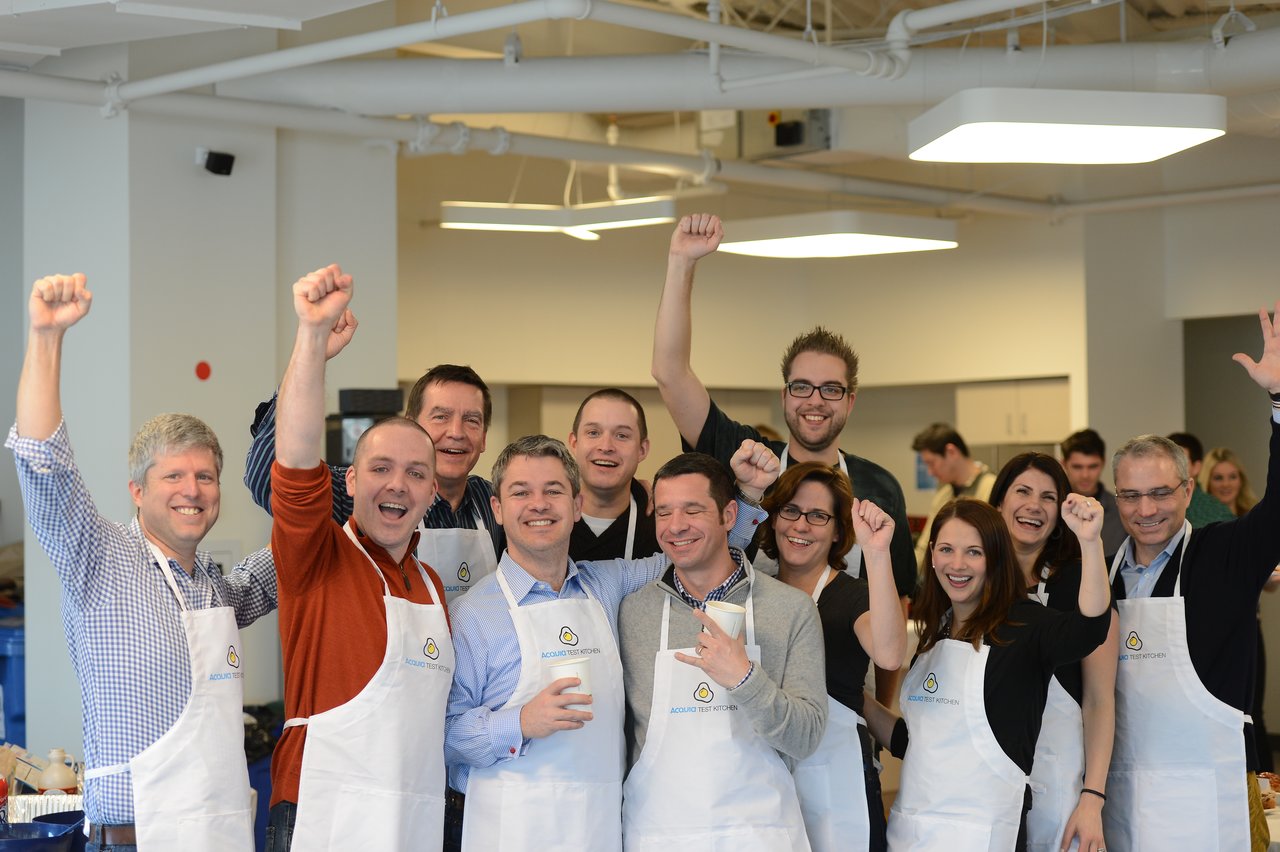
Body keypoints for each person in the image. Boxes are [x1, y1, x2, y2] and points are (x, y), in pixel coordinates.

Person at [7, 273, 277, 852]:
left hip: (221, 836)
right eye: (173, 475)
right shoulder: (99, 557)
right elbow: (44, 464)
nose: (192, 489)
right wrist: (46, 337)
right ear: (137, 490)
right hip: (135, 840)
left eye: (205, 476)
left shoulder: (215, 590)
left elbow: (282, 563)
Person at [445, 437, 776, 852]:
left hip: (598, 828)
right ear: (497, 509)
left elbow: (699, 553)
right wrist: (522, 722)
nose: (539, 504)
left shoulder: (607, 584)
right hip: (511, 832)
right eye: (521, 493)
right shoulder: (471, 614)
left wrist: (748, 494)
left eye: (553, 491)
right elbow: (445, 736)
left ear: (577, 505)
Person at [651, 211, 916, 705]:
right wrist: (681, 263)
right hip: (736, 688)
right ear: (785, 395)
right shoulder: (746, 459)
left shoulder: (879, 487)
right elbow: (670, 373)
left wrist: (882, 711)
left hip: (838, 696)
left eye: (831, 389)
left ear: (850, 401)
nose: (815, 401)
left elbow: (894, 604)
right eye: (802, 387)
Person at [266, 264, 451, 851]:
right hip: (323, 814)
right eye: (380, 468)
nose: (397, 484)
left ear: (431, 492)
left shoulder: (432, 586)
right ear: (349, 479)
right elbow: (296, 458)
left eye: (416, 473)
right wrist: (311, 336)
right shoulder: (316, 554)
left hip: (412, 821)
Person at [1104, 301, 1280, 852]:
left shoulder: (1226, 554)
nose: (1146, 509)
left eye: (1161, 493)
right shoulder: (1098, 576)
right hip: (1122, 792)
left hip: (1212, 793)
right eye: (1131, 495)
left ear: (1187, 491)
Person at [864, 498, 1110, 850]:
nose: (957, 564)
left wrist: (1090, 542)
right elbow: (915, 743)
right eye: (946, 549)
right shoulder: (934, 632)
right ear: (932, 554)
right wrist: (855, 698)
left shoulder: (1025, 626)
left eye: (974, 552)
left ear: (996, 558)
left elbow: (1090, 629)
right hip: (912, 833)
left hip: (986, 836)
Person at [620, 453, 827, 851]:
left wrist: (745, 679)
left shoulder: (790, 609)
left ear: (729, 515)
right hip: (660, 834)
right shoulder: (633, 612)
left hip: (759, 836)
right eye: (664, 512)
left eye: (692, 510)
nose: (675, 526)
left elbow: (805, 738)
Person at [245, 348, 502, 602]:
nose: (456, 432)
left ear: (483, 438)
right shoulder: (362, 492)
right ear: (410, 426)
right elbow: (268, 477)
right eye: (441, 416)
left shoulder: (495, 503)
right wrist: (312, 350)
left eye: (472, 420)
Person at [759, 462, 906, 852]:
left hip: (839, 779)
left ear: (839, 531)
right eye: (790, 510)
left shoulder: (853, 596)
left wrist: (877, 553)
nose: (800, 525)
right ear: (773, 518)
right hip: (767, 779)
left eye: (818, 516)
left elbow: (890, 654)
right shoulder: (755, 593)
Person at [989, 453, 1120, 852]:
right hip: (986, 783)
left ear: (1061, 512)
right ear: (999, 502)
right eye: (1023, 491)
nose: (1034, 505)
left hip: (1060, 786)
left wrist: (1092, 799)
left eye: (1048, 497)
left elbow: (1099, 701)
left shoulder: (1083, 582)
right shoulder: (973, 579)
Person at [566, 388, 658, 561]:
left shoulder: (662, 526)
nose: (606, 446)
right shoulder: (545, 516)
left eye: (621, 435)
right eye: (593, 433)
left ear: (642, 449)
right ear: (574, 443)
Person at [910, 422, 996, 571]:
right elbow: (925, 548)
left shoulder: (991, 488)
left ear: (951, 452)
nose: (930, 472)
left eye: (931, 463)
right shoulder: (943, 496)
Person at [1060, 429, 1127, 556]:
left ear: (1103, 463)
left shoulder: (1121, 510)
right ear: (1064, 464)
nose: (1085, 475)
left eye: (1092, 466)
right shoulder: (1053, 508)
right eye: (1077, 467)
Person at [1166, 432, 1236, 527]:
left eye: (1180, 463)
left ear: (1196, 467)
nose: (1170, 468)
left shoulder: (1218, 515)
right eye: (1165, 462)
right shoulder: (1153, 507)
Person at [1201, 445, 1260, 518]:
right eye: (1218, 478)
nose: (1226, 484)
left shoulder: (1256, 515)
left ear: (1241, 480)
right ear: (1207, 482)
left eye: (1232, 477)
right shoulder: (1198, 519)